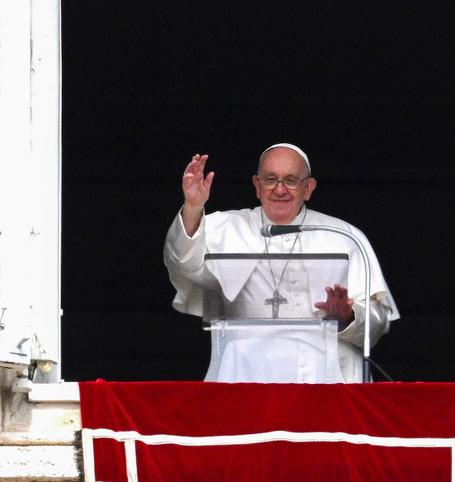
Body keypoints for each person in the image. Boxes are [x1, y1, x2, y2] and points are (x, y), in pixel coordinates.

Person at [164, 143, 399, 383]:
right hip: (245, 376)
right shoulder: (225, 226)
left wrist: (348, 316)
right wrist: (193, 207)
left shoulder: (346, 237)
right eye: (270, 179)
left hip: (324, 377)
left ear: (308, 188)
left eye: (291, 180)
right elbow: (182, 264)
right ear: (257, 186)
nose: (279, 189)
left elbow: (378, 322)